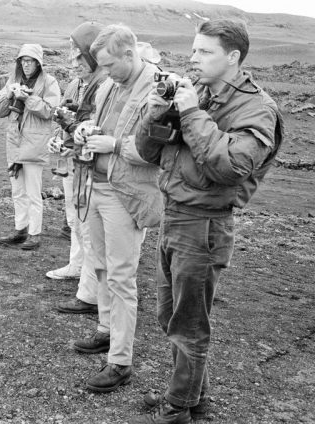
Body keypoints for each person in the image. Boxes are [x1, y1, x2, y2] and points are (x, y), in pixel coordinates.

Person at [131, 19, 283, 423]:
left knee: (189, 322)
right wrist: (159, 110)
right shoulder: (196, 94)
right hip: (174, 216)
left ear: (233, 57)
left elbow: (229, 166)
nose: (193, 58)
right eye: (193, 49)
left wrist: (192, 113)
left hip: (205, 225)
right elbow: (147, 151)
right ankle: (193, 395)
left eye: (204, 52)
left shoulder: (257, 109)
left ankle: (180, 406)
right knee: (171, 315)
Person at [70, 24, 163, 393]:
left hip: (128, 194)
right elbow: (101, 124)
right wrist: (86, 130)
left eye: (109, 65)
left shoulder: (158, 90)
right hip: (99, 184)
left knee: (123, 276)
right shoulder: (110, 85)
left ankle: (120, 361)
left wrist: (111, 143)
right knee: (101, 264)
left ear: (130, 53)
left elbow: (153, 151)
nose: (104, 72)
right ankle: (106, 331)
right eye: (101, 66)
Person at [47, 22, 107, 319]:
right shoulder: (81, 82)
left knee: (88, 225)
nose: (74, 63)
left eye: (80, 56)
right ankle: (79, 270)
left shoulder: (103, 84)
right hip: (76, 161)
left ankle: (91, 292)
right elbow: (69, 118)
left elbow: (96, 129)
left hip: (91, 166)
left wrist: (71, 128)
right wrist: (61, 136)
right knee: (76, 218)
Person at [0, 44, 61, 250]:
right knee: (17, 191)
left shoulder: (50, 83)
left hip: (34, 144)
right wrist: (10, 96)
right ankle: (20, 229)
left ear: (38, 63)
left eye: (30, 61)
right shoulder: (13, 81)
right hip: (14, 143)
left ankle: (35, 233)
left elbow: (50, 110)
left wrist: (27, 98)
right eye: (23, 61)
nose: (26, 64)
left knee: (33, 192)